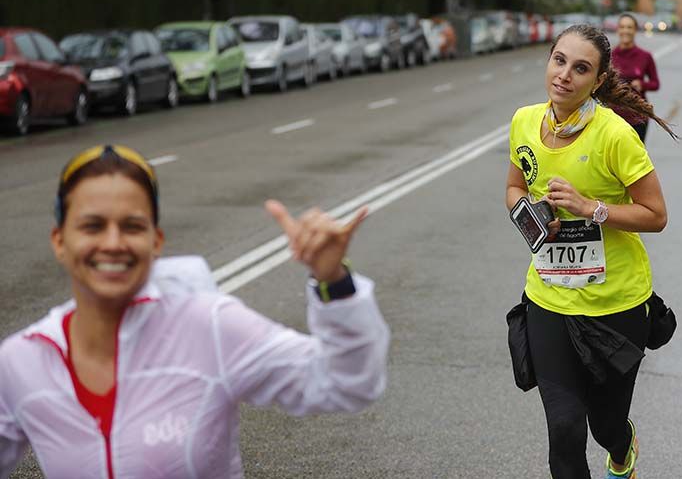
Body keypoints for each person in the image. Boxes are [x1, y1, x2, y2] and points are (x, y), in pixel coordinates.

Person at [0, 145, 390, 478]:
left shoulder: (210, 327)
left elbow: (345, 384)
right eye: (92, 226)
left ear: (156, 240)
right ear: (59, 240)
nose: (113, 243)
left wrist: (333, 280)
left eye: (132, 226)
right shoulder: (23, 362)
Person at [505, 24, 671, 479]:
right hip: (549, 298)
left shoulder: (615, 135)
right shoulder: (524, 122)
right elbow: (515, 187)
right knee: (564, 429)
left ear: (597, 81)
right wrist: (530, 216)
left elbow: (656, 214)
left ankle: (621, 446)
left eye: (580, 69)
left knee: (605, 425)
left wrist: (590, 208)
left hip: (615, 304)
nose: (564, 75)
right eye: (559, 60)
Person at [611, 13, 661, 143]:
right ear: (617, 30)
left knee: (635, 154)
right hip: (612, 116)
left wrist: (642, 84)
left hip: (638, 116)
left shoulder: (645, 56)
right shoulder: (609, 56)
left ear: (635, 30)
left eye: (629, 27)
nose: (625, 31)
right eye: (622, 27)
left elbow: (655, 83)